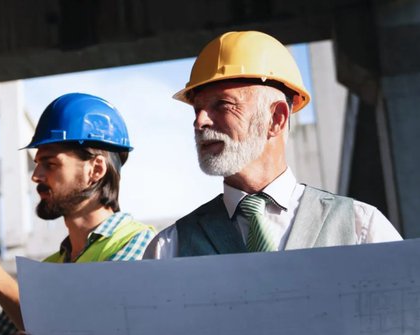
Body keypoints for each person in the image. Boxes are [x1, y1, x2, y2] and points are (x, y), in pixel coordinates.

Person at [144, 31, 402, 259]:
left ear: (276, 119)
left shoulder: (361, 228)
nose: (199, 122)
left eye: (222, 105)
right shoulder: (169, 249)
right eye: (197, 109)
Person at [0, 93, 155, 335]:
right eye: (38, 162)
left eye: (50, 164)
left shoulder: (142, 245)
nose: (36, 175)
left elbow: (83, 329)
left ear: (96, 169)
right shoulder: (51, 268)